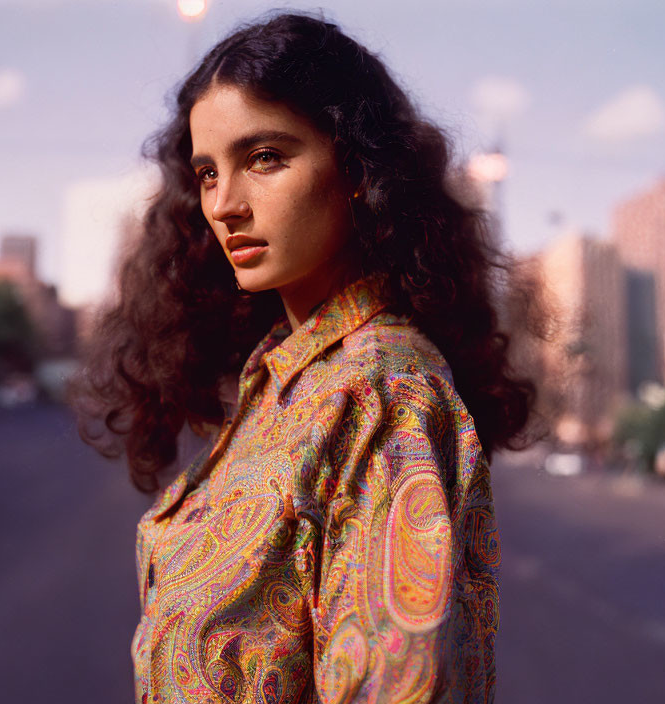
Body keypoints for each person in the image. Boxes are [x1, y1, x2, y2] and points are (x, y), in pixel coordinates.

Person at [75, 11, 538, 703]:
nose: (225, 204)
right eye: (207, 172)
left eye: (265, 158)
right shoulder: (280, 375)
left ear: (356, 167)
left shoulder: (384, 391)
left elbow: (395, 686)